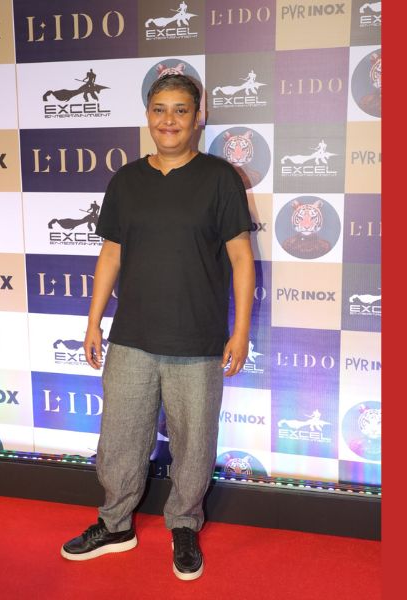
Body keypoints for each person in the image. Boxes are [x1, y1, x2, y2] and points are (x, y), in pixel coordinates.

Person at [60, 74, 255, 581]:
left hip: (198, 340)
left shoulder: (220, 179)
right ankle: (115, 524)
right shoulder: (126, 180)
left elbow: (241, 258)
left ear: (198, 117)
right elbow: (111, 254)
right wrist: (93, 322)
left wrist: (240, 332)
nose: (169, 120)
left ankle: (184, 524)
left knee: (194, 443)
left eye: (181, 110)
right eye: (160, 109)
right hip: (132, 339)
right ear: (148, 115)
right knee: (120, 438)